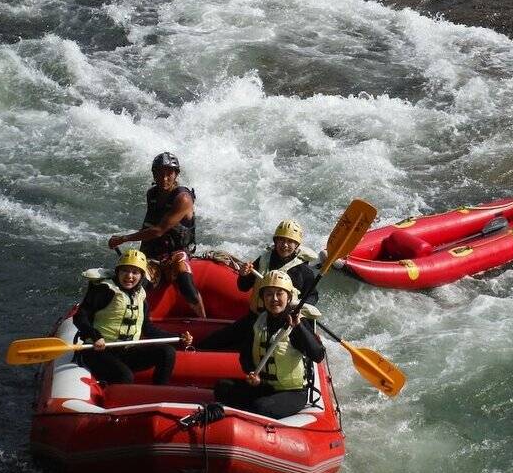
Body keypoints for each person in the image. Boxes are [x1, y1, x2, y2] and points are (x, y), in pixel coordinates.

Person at [203, 270, 325, 419]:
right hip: (263, 387)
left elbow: (318, 355)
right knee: (222, 387)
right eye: (269, 294)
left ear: (289, 297)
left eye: (279, 293)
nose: (274, 299)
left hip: (292, 392)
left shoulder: (297, 323)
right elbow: (246, 356)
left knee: (261, 406)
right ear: (262, 298)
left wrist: (298, 327)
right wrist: (253, 373)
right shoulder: (257, 322)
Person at [73, 249, 193, 385]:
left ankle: (158, 393)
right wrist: (94, 336)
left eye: (135, 272)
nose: (129, 276)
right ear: (118, 272)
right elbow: (79, 317)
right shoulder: (105, 290)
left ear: (141, 276)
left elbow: (147, 329)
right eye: (125, 271)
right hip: (97, 351)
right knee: (125, 376)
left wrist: (177, 338)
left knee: (167, 352)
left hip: (126, 351)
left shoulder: (140, 295)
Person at [108, 152, 205, 318]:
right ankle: (131, 320)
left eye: (169, 173)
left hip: (177, 252)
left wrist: (124, 239)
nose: (164, 178)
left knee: (186, 285)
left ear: (176, 175)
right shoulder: (152, 194)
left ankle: (203, 319)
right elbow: (149, 225)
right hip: (153, 254)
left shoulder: (183, 198)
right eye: (160, 173)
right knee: (133, 283)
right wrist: (140, 256)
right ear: (153, 174)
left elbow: (159, 230)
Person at [237, 219, 318, 314]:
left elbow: (312, 296)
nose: (285, 245)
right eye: (281, 239)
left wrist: (298, 309)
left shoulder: (303, 270)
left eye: (290, 241)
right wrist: (243, 275)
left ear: (296, 245)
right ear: (276, 241)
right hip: (256, 316)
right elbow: (243, 287)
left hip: (283, 322)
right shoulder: (263, 259)